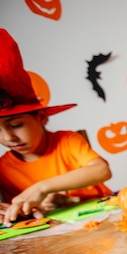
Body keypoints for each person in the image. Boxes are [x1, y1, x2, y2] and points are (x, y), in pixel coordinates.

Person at [0, 29, 113, 225]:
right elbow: (21, 213)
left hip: (105, 217)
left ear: (41, 117)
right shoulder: (4, 169)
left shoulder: (67, 141)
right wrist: (38, 207)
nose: (8, 137)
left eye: (16, 125)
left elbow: (101, 170)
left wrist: (42, 188)